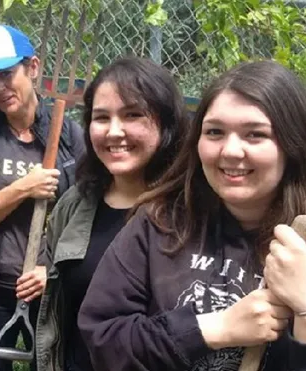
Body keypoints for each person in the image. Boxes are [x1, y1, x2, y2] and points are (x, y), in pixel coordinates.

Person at [78, 60, 306, 370]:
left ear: (294, 144)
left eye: (255, 134)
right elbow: (103, 338)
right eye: (215, 132)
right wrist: (215, 328)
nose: (230, 151)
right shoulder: (159, 223)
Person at [35, 57, 188, 371]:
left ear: (167, 124)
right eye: (101, 117)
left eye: (133, 115)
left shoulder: (191, 213)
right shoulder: (75, 204)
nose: (114, 132)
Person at [0, 24, 85, 371]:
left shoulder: (72, 136)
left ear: (33, 67)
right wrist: (24, 188)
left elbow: (86, 220)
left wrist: (52, 271)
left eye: (7, 74)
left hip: (49, 294)